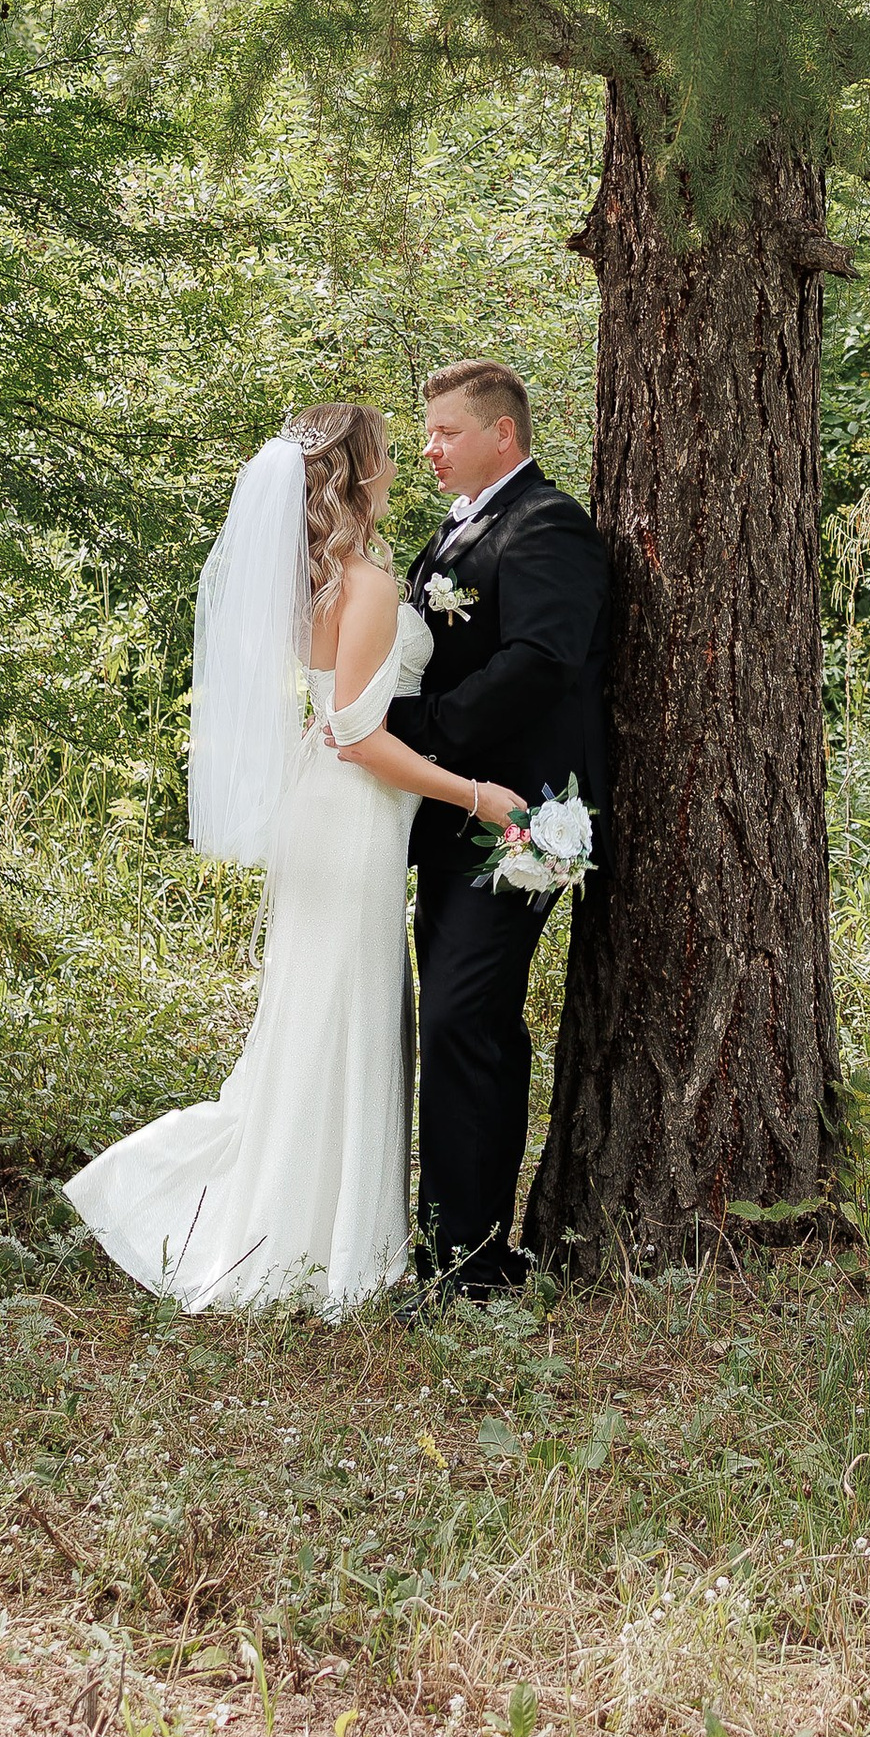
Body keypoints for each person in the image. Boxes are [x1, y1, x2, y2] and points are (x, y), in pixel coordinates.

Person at [63, 404, 527, 1315]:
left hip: (336, 810)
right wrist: (477, 795)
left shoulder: (318, 580)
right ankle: (322, 1245)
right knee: (340, 1011)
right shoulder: (363, 581)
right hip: (349, 812)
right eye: (389, 453)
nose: (401, 465)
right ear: (357, 474)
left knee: (325, 1010)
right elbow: (358, 735)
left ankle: (334, 1231)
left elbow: (336, 716)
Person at [383, 360, 610, 1297]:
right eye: (428, 433)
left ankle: (474, 1265)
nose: (429, 448)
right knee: (455, 1018)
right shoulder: (460, 523)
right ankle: (450, 1247)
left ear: (502, 433)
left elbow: (541, 660)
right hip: (454, 813)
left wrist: (426, 735)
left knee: (464, 1017)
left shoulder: (547, 523)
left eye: (444, 431)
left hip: (521, 820)